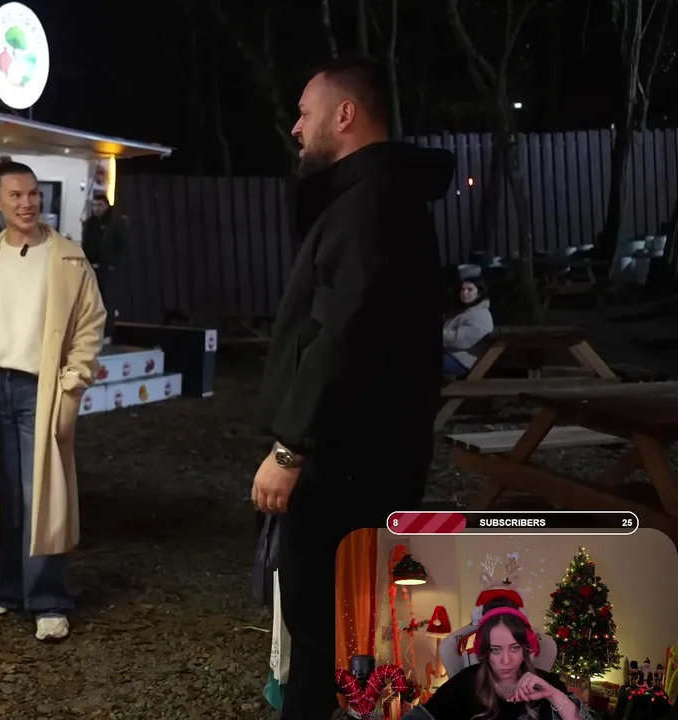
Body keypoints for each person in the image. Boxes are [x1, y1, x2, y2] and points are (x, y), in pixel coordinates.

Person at [253, 56, 455, 720]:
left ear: (345, 115)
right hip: (354, 460)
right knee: (339, 639)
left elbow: (348, 336)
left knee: (323, 637)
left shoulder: (375, 206)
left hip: (349, 467)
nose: (295, 127)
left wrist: (291, 448)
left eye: (305, 112)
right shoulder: (365, 200)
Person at [0, 158, 106, 642]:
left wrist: (74, 379)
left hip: (41, 387)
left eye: (33, 193)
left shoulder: (69, 258)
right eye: (15, 195)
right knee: (0, 490)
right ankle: (3, 589)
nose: (27, 203)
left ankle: (48, 599)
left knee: (42, 493)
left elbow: (89, 324)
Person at [404, 601, 592, 720]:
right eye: (495, 650)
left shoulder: (547, 683)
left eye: (514, 647)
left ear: (525, 649)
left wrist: (553, 694)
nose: (506, 660)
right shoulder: (465, 683)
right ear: (485, 652)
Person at [81, 193, 128, 342]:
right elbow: (86, 243)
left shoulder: (115, 222)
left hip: (107, 268)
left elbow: (123, 245)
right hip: (91, 266)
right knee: (91, 301)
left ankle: (107, 333)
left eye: (100, 205)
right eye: (94, 205)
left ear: (106, 206)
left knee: (107, 301)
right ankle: (91, 333)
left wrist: (114, 264)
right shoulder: (90, 223)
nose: (97, 208)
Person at [443, 278, 495, 377]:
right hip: (451, 354)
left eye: (469, 290)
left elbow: (458, 340)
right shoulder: (465, 310)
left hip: (462, 361)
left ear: (479, 293)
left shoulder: (480, 315)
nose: (464, 292)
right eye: (463, 289)